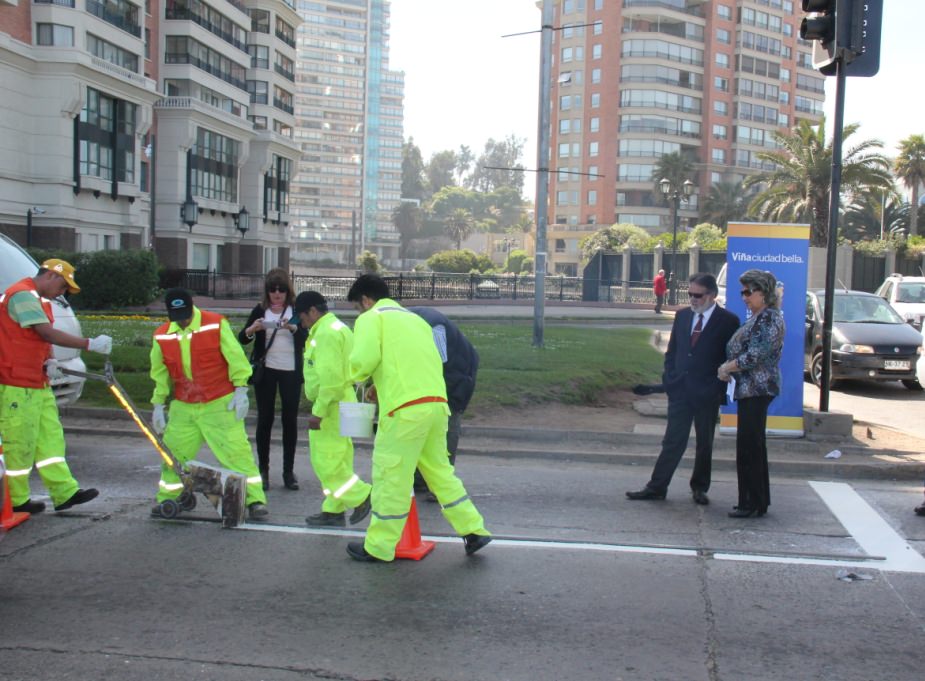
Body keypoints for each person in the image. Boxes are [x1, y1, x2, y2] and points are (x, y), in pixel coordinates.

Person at [344, 274, 491, 562]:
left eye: (357, 308)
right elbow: (418, 362)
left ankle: (379, 546)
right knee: (440, 473)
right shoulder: (415, 320)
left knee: (391, 476)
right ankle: (473, 529)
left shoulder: (372, 318)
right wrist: (379, 384)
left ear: (365, 300)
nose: (358, 313)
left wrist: (354, 378)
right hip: (436, 406)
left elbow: (363, 361)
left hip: (404, 411)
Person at [0, 259, 111, 514]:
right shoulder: (22, 295)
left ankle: (64, 493)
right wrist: (88, 344)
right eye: (62, 287)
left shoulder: (38, 298)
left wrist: (48, 359)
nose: (62, 293)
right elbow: (45, 333)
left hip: (35, 382)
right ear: (50, 275)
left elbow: (36, 339)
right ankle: (16, 500)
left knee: (50, 440)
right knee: (19, 443)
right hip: (17, 383)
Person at [150, 288, 268, 520]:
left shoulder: (215, 324)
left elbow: (235, 357)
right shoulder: (162, 335)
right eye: (177, 316)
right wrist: (158, 404)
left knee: (236, 454)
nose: (183, 321)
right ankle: (168, 498)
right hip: (184, 405)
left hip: (219, 402)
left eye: (185, 314)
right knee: (173, 455)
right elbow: (160, 373)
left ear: (192, 307)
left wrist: (241, 389)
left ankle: (255, 500)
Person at [626, 273, 740, 506]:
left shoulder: (728, 321)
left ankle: (699, 488)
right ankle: (657, 486)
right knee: (672, 440)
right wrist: (669, 377)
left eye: (698, 295)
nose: (693, 299)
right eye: (690, 294)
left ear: (712, 295)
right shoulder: (682, 316)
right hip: (680, 390)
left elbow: (731, 358)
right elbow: (673, 351)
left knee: (704, 442)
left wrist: (717, 386)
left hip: (707, 392)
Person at [294, 291, 372, 527]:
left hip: (331, 405)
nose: (302, 322)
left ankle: (361, 496)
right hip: (343, 400)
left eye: (302, 317)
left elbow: (331, 380)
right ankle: (333, 509)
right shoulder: (338, 327)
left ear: (313, 311)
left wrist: (318, 411)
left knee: (326, 460)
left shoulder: (325, 334)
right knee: (339, 459)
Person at [717, 269, 785, 519]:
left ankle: (752, 502)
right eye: (742, 291)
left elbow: (756, 355)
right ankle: (753, 499)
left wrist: (727, 367)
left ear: (763, 292)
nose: (744, 296)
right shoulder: (759, 316)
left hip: (758, 388)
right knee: (749, 445)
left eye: (748, 291)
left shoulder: (768, 318)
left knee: (750, 446)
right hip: (749, 389)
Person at [238, 268, 307, 491]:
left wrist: (294, 328)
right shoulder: (260, 310)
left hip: (291, 371)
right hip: (266, 370)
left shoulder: (295, 310)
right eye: (272, 290)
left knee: (289, 420)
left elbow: (307, 336)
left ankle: (288, 471)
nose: (277, 294)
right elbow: (243, 338)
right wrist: (253, 328)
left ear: (288, 291)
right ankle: (263, 470)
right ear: (267, 292)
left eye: (281, 290)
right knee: (265, 420)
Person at [408, 306, 479, 501]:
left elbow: (439, 359)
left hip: (456, 375)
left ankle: (440, 485)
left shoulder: (432, 324)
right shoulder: (407, 321)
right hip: (438, 375)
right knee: (423, 425)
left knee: (448, 424)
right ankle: (421, 479)